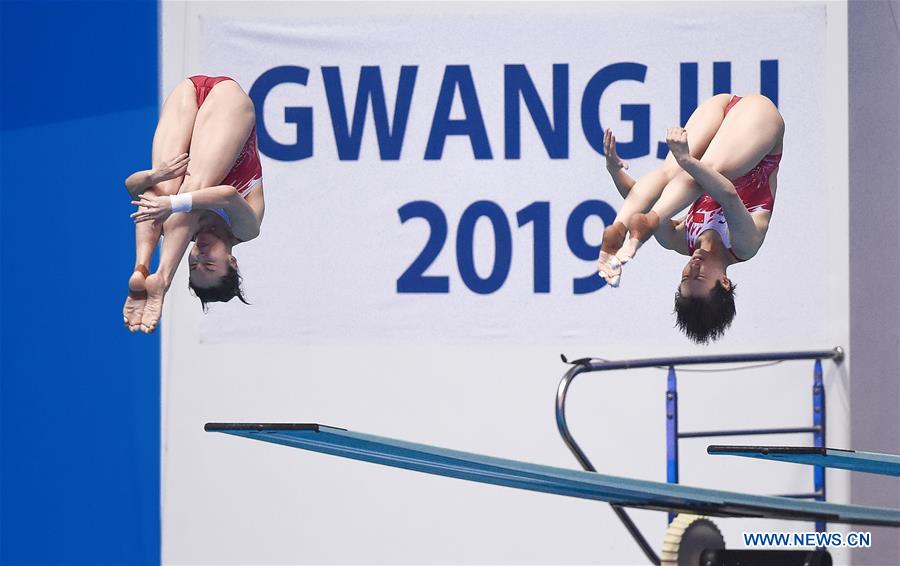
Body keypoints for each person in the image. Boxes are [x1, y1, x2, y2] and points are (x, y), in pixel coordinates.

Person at [598, 94, 784, 343]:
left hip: (720, 107)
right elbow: (727, 194)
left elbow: (650, 202)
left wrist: (615, 172)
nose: (694, 267)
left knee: (668, 174)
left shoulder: (679, 240)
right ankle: (642, 228)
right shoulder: (744, 245)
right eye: (700, 276)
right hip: (760, 119)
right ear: (725, 283)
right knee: (704, 171)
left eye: (686, 276)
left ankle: (618, 227)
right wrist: (686, 160)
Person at [123, 75, 266, 334]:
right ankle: (163, 280)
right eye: (209, 264)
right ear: (232, 261)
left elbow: (133, 187)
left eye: (193, 264)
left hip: (187, 90)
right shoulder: (245, 229)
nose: (200, 256)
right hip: (228, 102)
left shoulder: (179, 228)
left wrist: (154, 177)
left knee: (158, 192)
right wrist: (173, 203)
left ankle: (141, 268)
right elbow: (228, 194)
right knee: (191, 194)